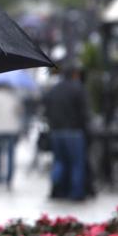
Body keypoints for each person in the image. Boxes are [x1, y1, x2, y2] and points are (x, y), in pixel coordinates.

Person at [42, 66, 90, 201]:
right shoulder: (78, 89)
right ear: (74, 74)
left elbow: (45, 108)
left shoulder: (54, 89)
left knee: (59, 162)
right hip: (74, 131)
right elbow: (84, 113)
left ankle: (56, 190)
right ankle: (76, 193)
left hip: (56, 131)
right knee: (76, 163)